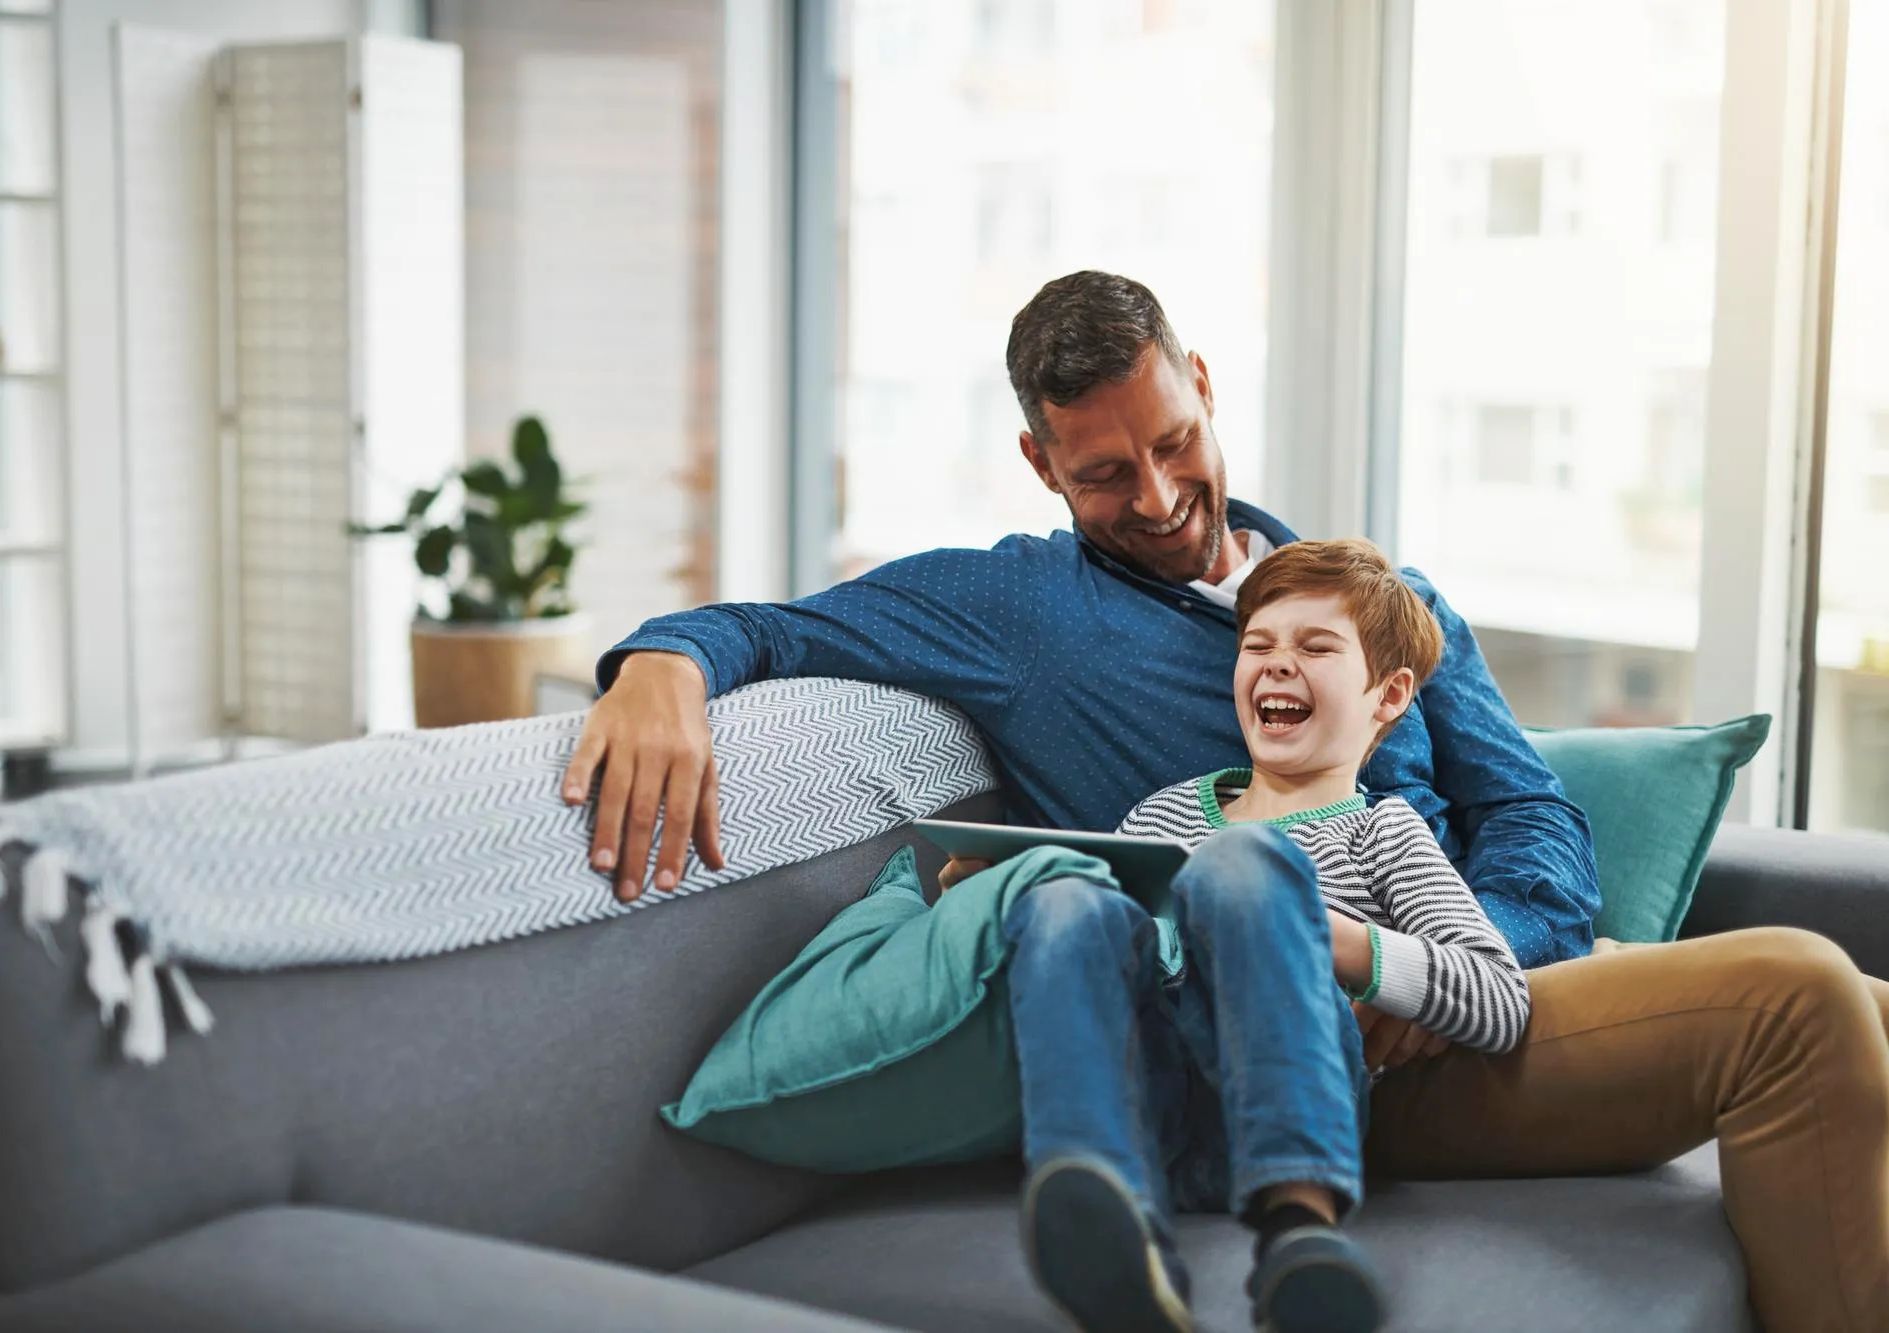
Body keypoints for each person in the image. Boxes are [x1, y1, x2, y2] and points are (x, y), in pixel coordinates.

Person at [564, 271, 1889, 1333]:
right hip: (1286, 1045)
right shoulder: (1025, 611)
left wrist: (1445, 962)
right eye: (1102, 476)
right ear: (1041, 464)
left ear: (1203, 383)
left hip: (1451, 991)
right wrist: (662, 670)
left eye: (1174, 443)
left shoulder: (1376, 604)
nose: (1157, 497)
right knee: (1808, 999)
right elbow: (768, 627)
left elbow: (1535, 820)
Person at [1002, 537, 1529, 1333]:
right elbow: (1107, 949)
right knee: (1065, 899)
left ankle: (1299, 1231)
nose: (1279, 664)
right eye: (1259, 646)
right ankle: (1107, 1216)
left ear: (1387, 696)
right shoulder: (1165, 812)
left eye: (1315, 647)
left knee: (1244, 864)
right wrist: (1000, 885)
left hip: (1291, 1093)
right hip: (1153, 1105)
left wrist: (1341, 939)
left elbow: (1499, 995)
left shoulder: (1384, 831)